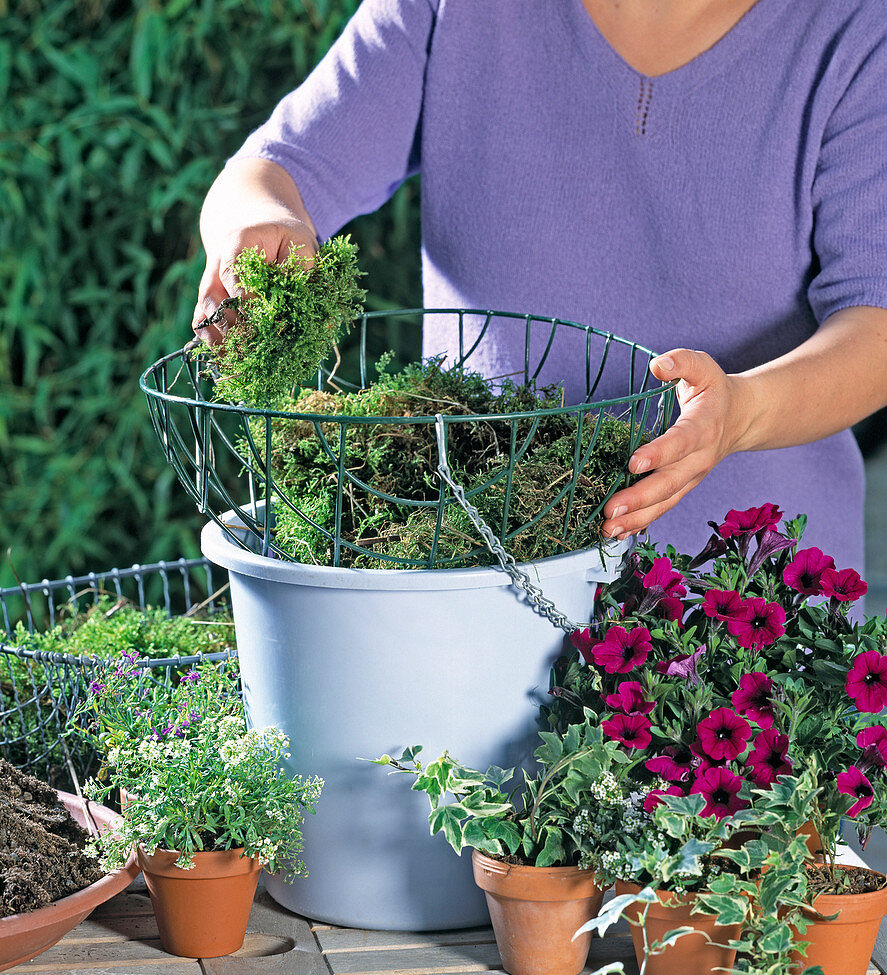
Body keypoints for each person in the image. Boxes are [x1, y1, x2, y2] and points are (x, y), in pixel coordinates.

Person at [193, 0, 887, 572]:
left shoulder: (857, 32)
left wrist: (741, 412)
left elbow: (875, 322)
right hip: (477, 570)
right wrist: (262, 221)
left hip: (750, 596)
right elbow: (276, 168)